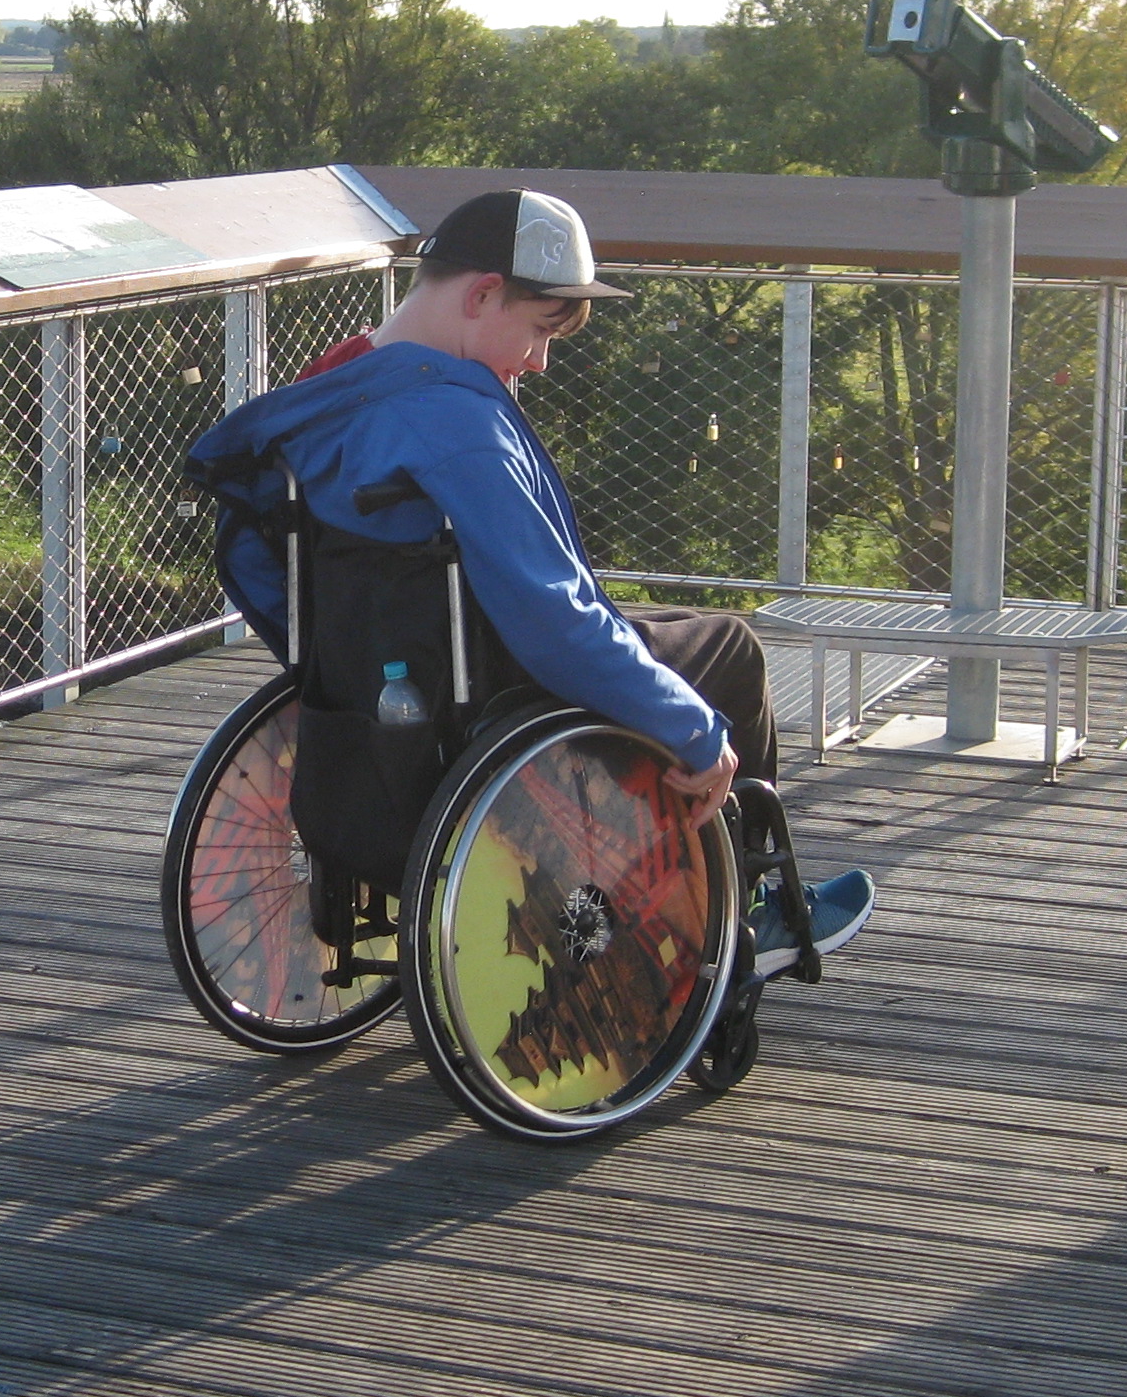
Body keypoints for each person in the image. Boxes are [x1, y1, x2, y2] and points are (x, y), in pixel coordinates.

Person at [190, 187, 874, 977]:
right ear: (483, 294)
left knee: (659, 635)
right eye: (542, 328)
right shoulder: (459, 426)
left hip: (375, 702)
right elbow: (556, 620)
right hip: (502, 690)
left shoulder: (324, 390)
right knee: (730, 647)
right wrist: (694, 731)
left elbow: (256, 561)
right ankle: (742, 916)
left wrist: (332, 661)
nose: (540, 361)